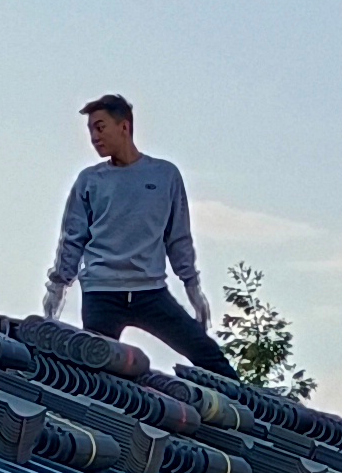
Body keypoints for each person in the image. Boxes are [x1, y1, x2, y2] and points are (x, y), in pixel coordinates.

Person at [42, 93, 233, 376]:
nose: (94, 137)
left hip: (150, 292)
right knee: (94, 375)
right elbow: (72, 238)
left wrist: (193, 287)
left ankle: (254, 416)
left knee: (210, 357)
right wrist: (58, 287)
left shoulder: (164, 175)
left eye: (100, 127)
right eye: (90, 130)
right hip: (101, 292)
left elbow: (178, 237)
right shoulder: (90, 180)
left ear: (124, 127)